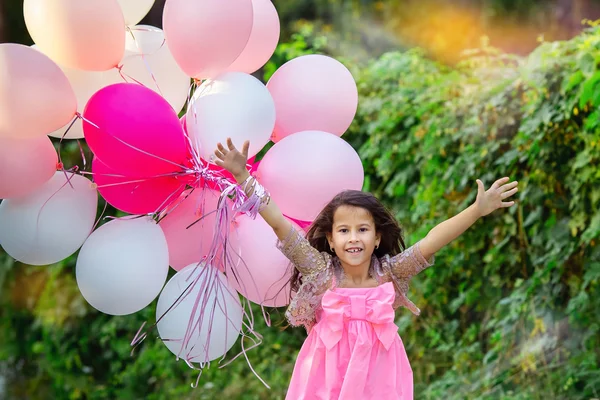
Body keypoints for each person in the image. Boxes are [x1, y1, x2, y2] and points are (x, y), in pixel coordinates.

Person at [213, 138, 519, 400]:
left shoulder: (391, 272)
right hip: (326, 376)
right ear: (331, 241)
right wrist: (243, 177)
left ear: (377, 238)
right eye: (343, 231)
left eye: (362, 229)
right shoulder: (320, 271)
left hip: (380, 376)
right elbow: (279, 223)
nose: (353, 238)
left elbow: (431, 241)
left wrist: (477, 210)